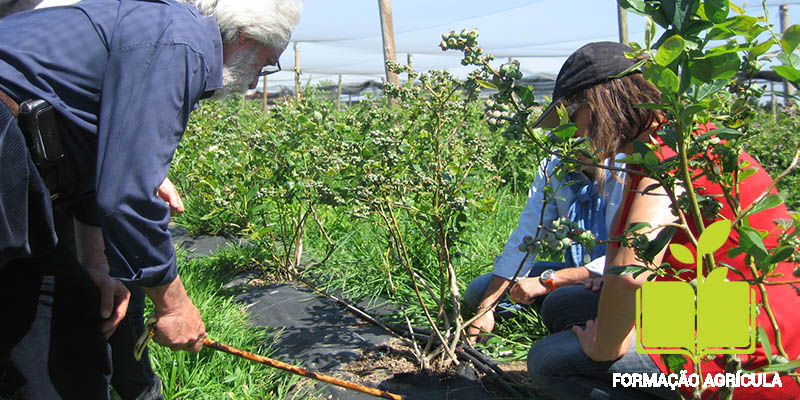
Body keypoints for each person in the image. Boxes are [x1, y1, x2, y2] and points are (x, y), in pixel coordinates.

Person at [0, 0, 301, 398]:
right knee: (59, 323)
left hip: (20, 155)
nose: (253, 84)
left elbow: (98, 158)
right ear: (247, 37)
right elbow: (129, 195)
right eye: (266, 63)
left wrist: (98, 262)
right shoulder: (182, 42)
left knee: (60, 320)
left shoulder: (158, 29)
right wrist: (174, 305)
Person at [526, 41, 800, 399]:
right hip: (705, 302)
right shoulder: (669, 143)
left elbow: (629, 274)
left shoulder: (673, 160)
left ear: (599, 103)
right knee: (564, 304)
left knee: (549, 362)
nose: (573, 131)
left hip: (740, 336)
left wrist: (604, 347)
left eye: (571, 115)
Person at [465, 154, 626, 342]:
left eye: (573, 124)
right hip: (586, 273)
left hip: (625, 281)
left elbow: (631, 260)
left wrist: (548, 281)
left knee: (555, 318)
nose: (565, 133)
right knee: (479, 292)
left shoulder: (627, 169)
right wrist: (486, 308)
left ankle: (574, 318)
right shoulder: (556, 165)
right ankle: (569, 312)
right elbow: (528, 233)